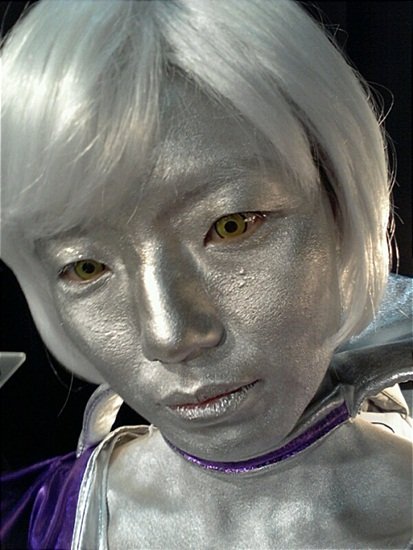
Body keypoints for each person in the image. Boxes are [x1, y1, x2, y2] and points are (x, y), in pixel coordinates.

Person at [1, 0, 412, 548]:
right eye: (87, 266)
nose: (170, 336)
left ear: (341, 207)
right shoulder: (25, 523)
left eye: (231, 226)